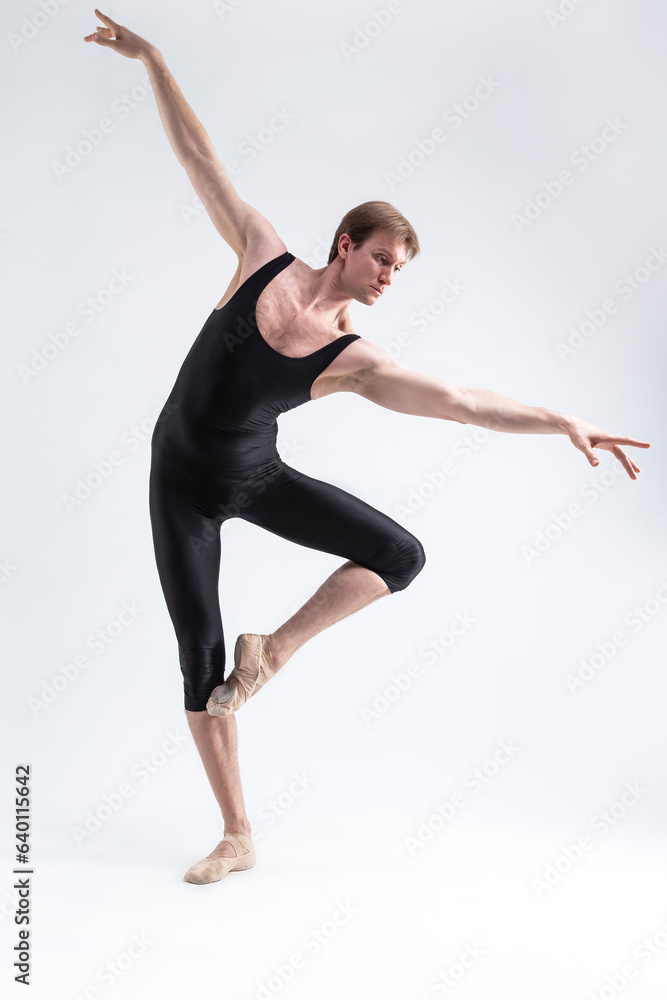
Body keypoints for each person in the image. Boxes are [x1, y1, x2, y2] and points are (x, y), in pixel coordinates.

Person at [84, 10, 651, 885]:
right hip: (181, 485)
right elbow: (200, 159)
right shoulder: (260, 255)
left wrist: (560, 420)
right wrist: (152, 59)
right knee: (196, 656)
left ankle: (272, 650)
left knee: (399, 553)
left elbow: (463, 403)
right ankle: (237, 834)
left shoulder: (354, 361)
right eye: (383, 259)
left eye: (400, 269)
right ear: (345, 245)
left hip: (254, 477)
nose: (390, 278)